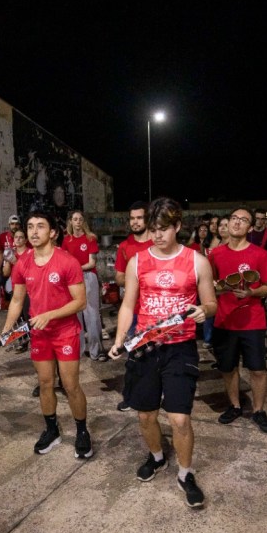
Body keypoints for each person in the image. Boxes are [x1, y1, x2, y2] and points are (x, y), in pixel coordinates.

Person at [109, 197, 217, 508]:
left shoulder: (197, 261)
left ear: (178, 227)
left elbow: (211, 303)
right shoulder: (137, 262)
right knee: (145, 414)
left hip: (180, 346)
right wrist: (119, 339)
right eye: (154, 229)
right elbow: (128, 304)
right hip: (145, 345)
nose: (158, 235)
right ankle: (157, 458)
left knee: (180, 419)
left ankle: (185, 473)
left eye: (164, 229)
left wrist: (203, 310)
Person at [0, 211, 92, 457]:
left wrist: (50, 315)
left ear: (52, 233)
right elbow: (17, 300)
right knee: (45, 383)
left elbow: (80, 302)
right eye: (30, 227)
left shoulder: (66, 261)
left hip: (65, 332)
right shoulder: (23, 262)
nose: (34, 232)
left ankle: (82, 431)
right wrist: (7, 331)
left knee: (70, 385)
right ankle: (52, 430)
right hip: (40, 335)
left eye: (40, 226)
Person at [209, 208, 267, 433]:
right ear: (227, 223)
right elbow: (209, 285)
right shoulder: (216, 254)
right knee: (228, 368)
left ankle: (258, 411)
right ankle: (235, 406)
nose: (237, 223)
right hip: (224, 320)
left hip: (252, 321)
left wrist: (250, 293)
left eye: (243, 220)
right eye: (234, 219)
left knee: (258, 370)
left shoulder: (259, 254)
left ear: (250, 227)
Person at [114, 202, 154, 410]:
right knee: (134, 356)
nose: (135, 222)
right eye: (132, 218)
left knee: (158, 356)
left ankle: (159, 394)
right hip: (134, 312)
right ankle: (131, 397)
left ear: (147, 219)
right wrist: (137, 278)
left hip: (157, 311)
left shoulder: (157, 242)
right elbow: (119, 277)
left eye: (139, 218)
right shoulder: (125, 246)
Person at [62, 210, 106, 361]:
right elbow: (64, 262)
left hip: (88, 277)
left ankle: (97, 351)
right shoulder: (66, 240)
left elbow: (91, 263)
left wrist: (75, 269)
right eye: (75, 219)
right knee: (75, 315)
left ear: (83, 222)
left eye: (80, 219)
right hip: (71, 280)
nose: (78, 222)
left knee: (92, 314)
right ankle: (78, 351)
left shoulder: (90, 238)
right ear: (71, 222)